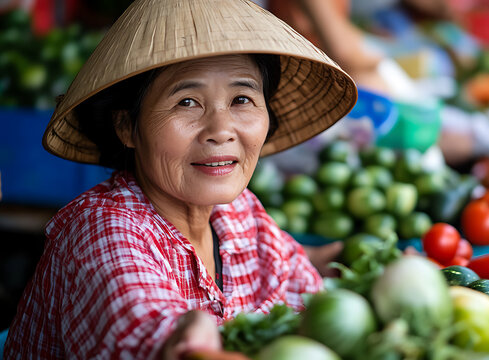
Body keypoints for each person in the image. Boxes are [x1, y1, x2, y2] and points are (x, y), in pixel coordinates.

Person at [3, 0, 357, 358]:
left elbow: (307, 295)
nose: (221, 131)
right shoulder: (103, 230)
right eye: (187, 102)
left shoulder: (240, 213)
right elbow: (152, 335)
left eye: (241, 98)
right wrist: (187, 335)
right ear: (127, 126)